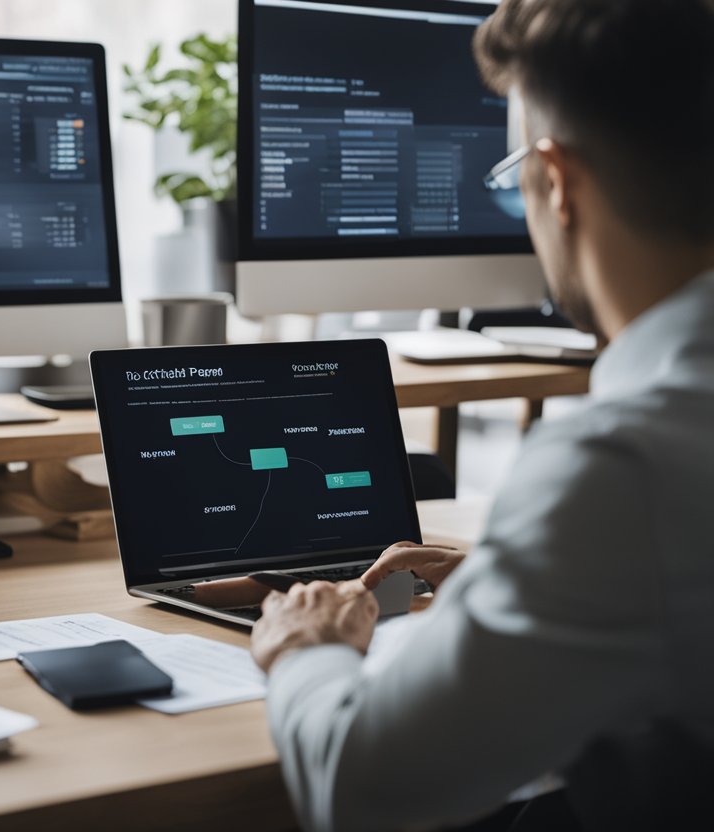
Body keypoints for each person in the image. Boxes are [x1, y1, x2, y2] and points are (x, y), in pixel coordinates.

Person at [249, 0, 714, 829]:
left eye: (512, 182)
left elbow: (364, 793)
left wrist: (303, 647)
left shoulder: (625, 466)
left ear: (559, 182)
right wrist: (533, 585)